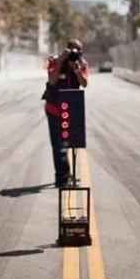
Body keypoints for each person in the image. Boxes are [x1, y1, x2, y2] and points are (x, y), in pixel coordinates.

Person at [44, 38, 88, 186]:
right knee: (59, 145)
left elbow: (84, 83)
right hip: (55, 108)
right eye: (71, 49)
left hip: (73, 108)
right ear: (66, 49)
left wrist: (75, 68)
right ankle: (61, 178)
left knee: (74, 142)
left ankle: (69, 174)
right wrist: (60, 63)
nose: (74, 52)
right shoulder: (54, 60)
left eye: (77, 50)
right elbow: (52, 81)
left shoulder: (81, 63)